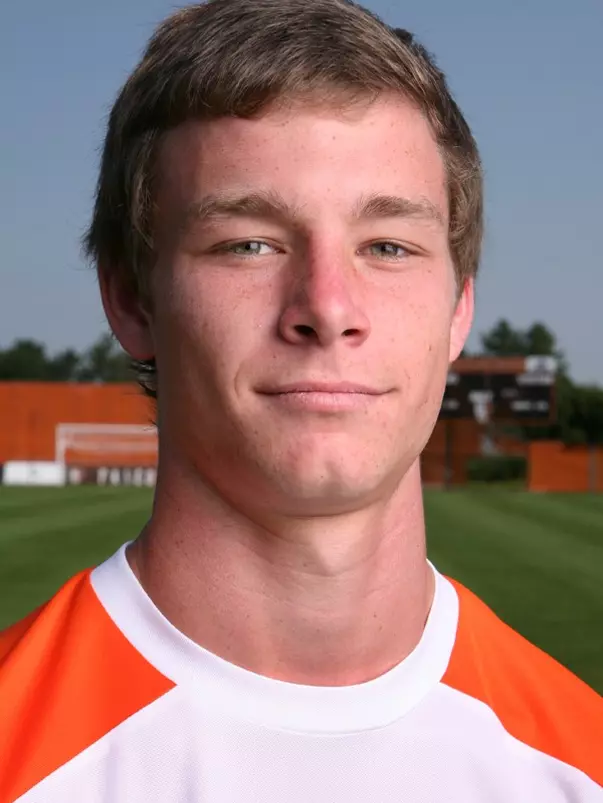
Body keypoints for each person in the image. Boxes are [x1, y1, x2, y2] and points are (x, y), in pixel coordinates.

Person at [0, 0, 601, 800]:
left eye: (387, 245)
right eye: (247, 243)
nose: (326, 305)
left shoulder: (579, 762)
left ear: (459, 307)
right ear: (131, 299)